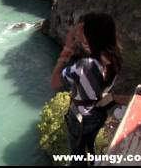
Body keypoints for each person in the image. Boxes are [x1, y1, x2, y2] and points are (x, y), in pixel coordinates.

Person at [50, 12, 129, 166]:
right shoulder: (113, 56)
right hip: (98, 113)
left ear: (90, 34)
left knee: (77, 154)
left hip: (80, 118)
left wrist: (66, 50)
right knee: (89, 144)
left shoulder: (84, 66)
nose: (77, 31)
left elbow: (54, 81)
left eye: (82, 29)